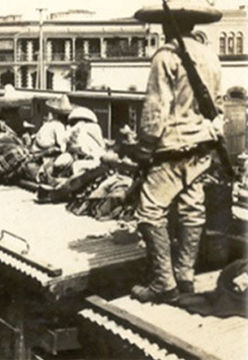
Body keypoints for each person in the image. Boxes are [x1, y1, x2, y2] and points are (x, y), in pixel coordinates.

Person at [129, 0, 224, 303]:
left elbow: (156, 110)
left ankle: (163, 282)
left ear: (167, 24)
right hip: (201, 146)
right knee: (192, 210)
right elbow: (217, 105)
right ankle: (185, 276)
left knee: (149, 212)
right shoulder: (210, 56)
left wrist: (144, 149)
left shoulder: (166, 57)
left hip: (171, 148)